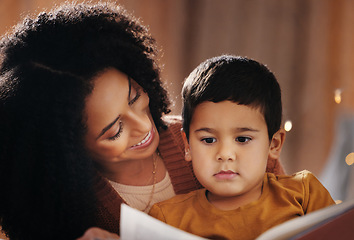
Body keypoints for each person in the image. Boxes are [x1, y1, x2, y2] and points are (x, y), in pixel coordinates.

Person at [0, 3, 284, 239]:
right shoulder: (62, 207)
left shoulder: (229, 141)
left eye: (134, 96)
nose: (144, 126)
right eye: (115, 130)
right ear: (67, 148)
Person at [148, 55, 335, 240]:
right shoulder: (166, 220)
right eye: (209, 140)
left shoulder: (305, 195)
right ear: (187, 146)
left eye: (243, 139)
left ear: (274, 144)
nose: (225, 154)